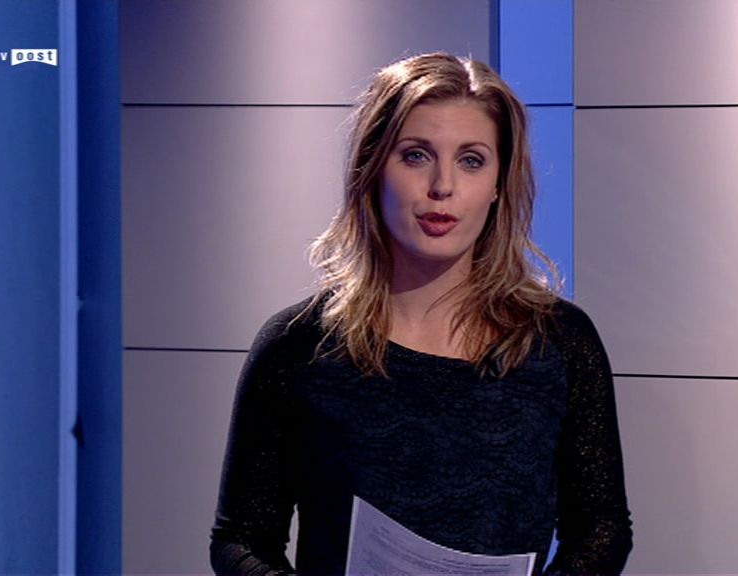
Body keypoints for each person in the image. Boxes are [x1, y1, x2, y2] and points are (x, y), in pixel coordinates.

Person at [210, 52, 632, 575]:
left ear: (498, 183)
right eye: (415, 156)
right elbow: (241, 540)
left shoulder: (559, 341)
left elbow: (602, 529)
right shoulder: (298, 344)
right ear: (372, 169)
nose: (442, 186)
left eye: (471, 160)